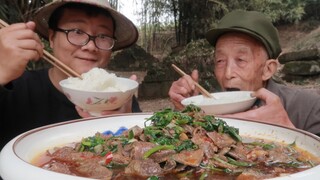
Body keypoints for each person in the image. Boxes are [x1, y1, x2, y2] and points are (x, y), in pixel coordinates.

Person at [0, 0, 141, 149]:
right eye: (77, 32)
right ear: (52, 38)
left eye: (103, 36)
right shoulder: (14, 88)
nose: (90, 46)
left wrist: (128, 127)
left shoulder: (120, 96)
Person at [169, 10, 320, 135]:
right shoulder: (209, 110)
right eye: (220, 61)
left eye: (241, 60)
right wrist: (188, 116)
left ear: (268, 69)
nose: (228, 73)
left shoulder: (308, 108)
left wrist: (288, 130)